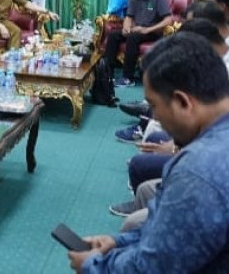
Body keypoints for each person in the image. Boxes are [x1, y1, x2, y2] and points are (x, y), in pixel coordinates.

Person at [68, 32, 229, 273]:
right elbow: (173, 231)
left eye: (154, 106)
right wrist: (118, 241)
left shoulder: (197, 171)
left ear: (183, 102)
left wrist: (93, 266)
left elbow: (151, 269)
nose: (156, 118)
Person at [103, 0, 172, 87]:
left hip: (153, 31)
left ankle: (127, 78)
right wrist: (126, 28)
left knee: (133, 37)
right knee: (114, 35)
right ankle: (108, 74)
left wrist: (147, 29)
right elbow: (129, 17)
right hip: (137, 30)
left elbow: (168, 19)